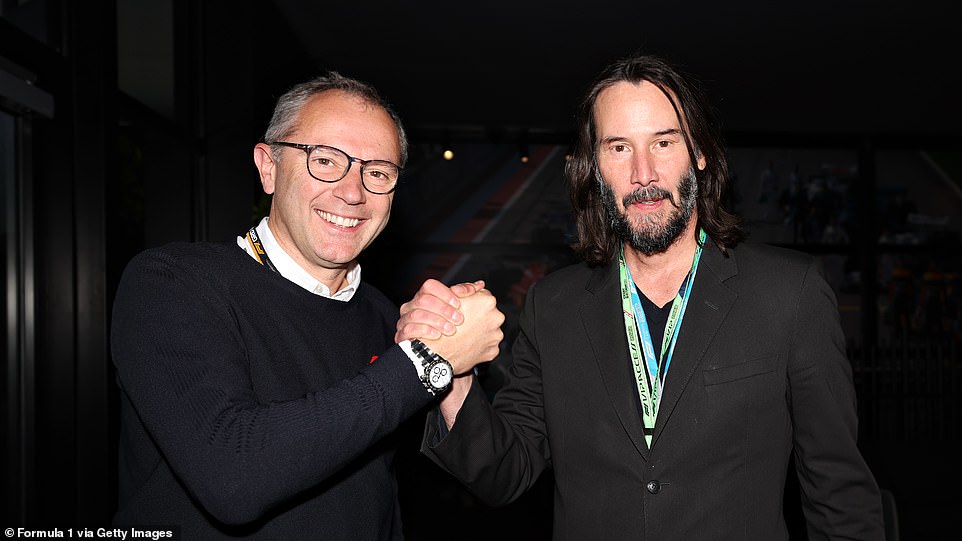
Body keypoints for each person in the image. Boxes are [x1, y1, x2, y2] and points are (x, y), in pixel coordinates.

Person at [414, 55, 884, 539]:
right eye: (619, 148)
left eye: (663, 142)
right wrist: (455, 376)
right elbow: (504, 474)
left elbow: (840, 496)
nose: (644, 173)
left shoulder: (790, 292)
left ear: (698, 151)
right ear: (595, 167)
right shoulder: (551, 306)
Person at [110, 73, 504, 539]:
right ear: (268, 167)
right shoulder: (174, 283)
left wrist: (453, 358)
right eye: (325, 160)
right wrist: (425, 362)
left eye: (377, 172)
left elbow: (484, 479)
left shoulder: (389, 320)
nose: (353, 192)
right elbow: (233, 476)